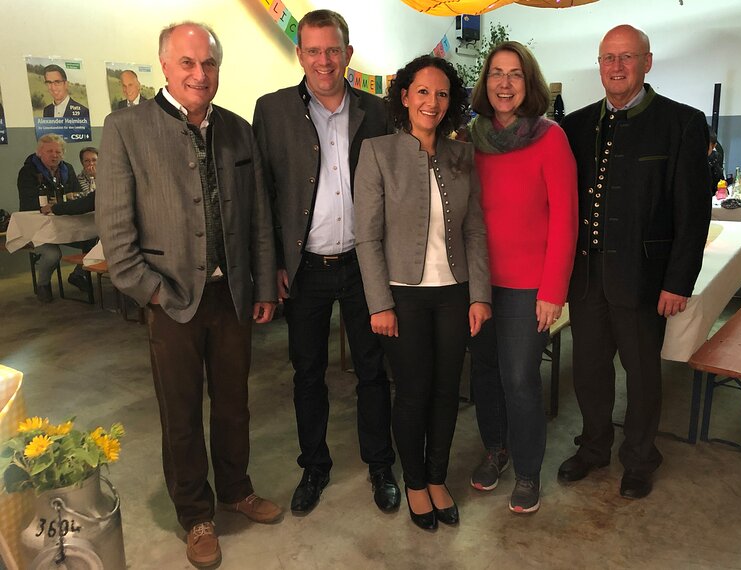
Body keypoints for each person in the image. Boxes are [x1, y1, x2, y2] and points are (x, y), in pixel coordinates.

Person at [96, 22, 282, 568]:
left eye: (209, 64)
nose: (200, 74)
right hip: (171, 298)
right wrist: (151, 292)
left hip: (234, 298)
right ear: (164, 65)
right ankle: (194, 514)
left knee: (234, 405)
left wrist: (264, 283)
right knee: (179, 412)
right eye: (187, 63)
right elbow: (115, 230)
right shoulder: (126, 128)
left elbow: (260, 219)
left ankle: (236, 489)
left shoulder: (238, 130)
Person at [252, 9, 399, 516]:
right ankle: (314, 466)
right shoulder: (272, 111)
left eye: (332, 50)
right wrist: (271, 265)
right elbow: (263, 195)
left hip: (365, 265)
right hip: (305, 268)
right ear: (299, 55)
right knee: (307, 372)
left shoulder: (379, 112)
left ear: (348, 54)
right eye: (312, 50)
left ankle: (380, 464)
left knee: (373, 371)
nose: (323, 60)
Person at [558, 25, 711, 499]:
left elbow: (693, 211)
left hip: (645, 280)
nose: (617, 67)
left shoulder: (681, 122)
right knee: (588, 370)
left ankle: (641, 456)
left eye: (627, 57)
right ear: (599, 64)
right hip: (586, 279)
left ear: (647, 62)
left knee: (643, 374)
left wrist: (678, 282)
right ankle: (594, 446)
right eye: (608, 58)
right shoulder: (576, 125)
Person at [355, 55, 491, 530]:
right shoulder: (378, 153)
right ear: (405, 96)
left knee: (446, 392)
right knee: (412, 393)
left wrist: (480, 295)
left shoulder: (461, 156)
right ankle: (414, 482)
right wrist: (380, 304)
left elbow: (475, 231)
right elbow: (366, 236)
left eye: (441, 94)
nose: (431, 102)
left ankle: (437, 478)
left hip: (453, 294)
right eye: (422, 92)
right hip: (402, 296)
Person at [465, 41, 577, 514]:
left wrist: (553, 291)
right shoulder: (470, 138)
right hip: (478, 282)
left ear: (528, 83)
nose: (504, 83)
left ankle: (529, 470)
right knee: (485, 376)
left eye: (514, 74)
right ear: (485, 82)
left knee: (520, 379)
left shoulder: (550, 138)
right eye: (496, 73)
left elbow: (566, 219)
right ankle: (497, 449)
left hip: (529, 286)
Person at [16, 134, 95, 302]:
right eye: (49, 151)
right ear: (39, 153)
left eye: (58, 151)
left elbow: (76, 195)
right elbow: (29, 202)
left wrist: (58, 203)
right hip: (39, 227)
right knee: (52, 255)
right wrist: (61, 201)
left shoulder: (68, 168)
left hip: (64, 224)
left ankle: (78, 274)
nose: (54, 155)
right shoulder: (27, 172)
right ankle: (43, 284)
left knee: (92, 238)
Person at [708, 129, 725, 194]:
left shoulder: (715, 157)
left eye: (706, 148)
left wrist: (722, 190)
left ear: (714, 146)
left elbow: (720, 181)